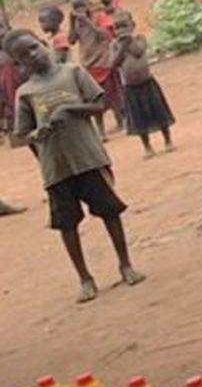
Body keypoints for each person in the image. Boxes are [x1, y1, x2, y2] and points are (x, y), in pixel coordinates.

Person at [5, 28, 145, 302]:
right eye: (24, 56)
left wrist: (68, 110)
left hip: (88, 159)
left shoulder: (73, 73)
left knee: (110, 212)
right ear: (19, 64)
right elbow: (23, 135)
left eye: (34, 48)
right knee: (67, 224)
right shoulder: (25, 93)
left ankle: (125, 264)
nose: (33, 56)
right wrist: (38, 134)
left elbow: (99, 104)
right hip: (56, 169)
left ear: (43, 44)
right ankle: (85, 278)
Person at [111, 11, 174, 157]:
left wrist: (128, 41)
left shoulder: (139, 39)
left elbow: (138, 52)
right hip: (131, 88)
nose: (121, 31)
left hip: (147, 83)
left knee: (159, 112)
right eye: (117, 28)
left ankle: (168, 140)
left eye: (124, 26)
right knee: (139, 119)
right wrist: (121, 46)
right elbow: (114, 63)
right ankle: (147, 146)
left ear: (132, 26)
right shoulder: (114, 45)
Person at [68, 0, 118, 136]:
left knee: (112, 95)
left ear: (88, 4)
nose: (79, 10)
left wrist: (89, 22)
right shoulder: (77, 22)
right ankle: (101, 131)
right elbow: (71, 40)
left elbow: (105, 35)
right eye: (76, 7)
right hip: (88, 63)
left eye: (82, 5)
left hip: (103, 60)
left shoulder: (99, 16)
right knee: (94, 98)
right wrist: (72, 22)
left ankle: (121, 121)